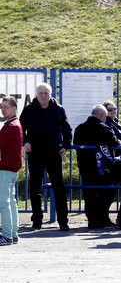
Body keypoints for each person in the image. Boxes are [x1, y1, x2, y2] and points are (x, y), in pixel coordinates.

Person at [19, 83, 72, 231]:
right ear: (36, 94)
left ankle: (63, 221)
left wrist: (66, 145)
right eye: (41, 93)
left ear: (50, 94)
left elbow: (67, 129)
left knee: (59, 187)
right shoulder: (29, 110)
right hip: (35, 152)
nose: (43, 95)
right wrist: (25, 142)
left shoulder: (59, 109)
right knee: (35, 187)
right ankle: (37, 221)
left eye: (46, 93)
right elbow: (20, 129)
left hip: (53, 152)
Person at [73, 105, 121, 229]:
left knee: (89, 193)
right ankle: (102, 218)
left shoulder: (80, 128)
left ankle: (92, 221)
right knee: (108, 191)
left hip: (85, 166)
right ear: (101, 115)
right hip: (103, 167)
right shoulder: (104, 127)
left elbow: (76, 143)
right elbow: (115, 143)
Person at [0, 96, 23, 245]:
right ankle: (13, 233)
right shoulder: (14, 123)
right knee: (11, 201)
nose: (3, 109)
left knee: (4, 202)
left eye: (6, 107)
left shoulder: (11, 126)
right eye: (2, 107)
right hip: (11, 168)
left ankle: (7, 235)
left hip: (5, 168)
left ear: (14, 108)